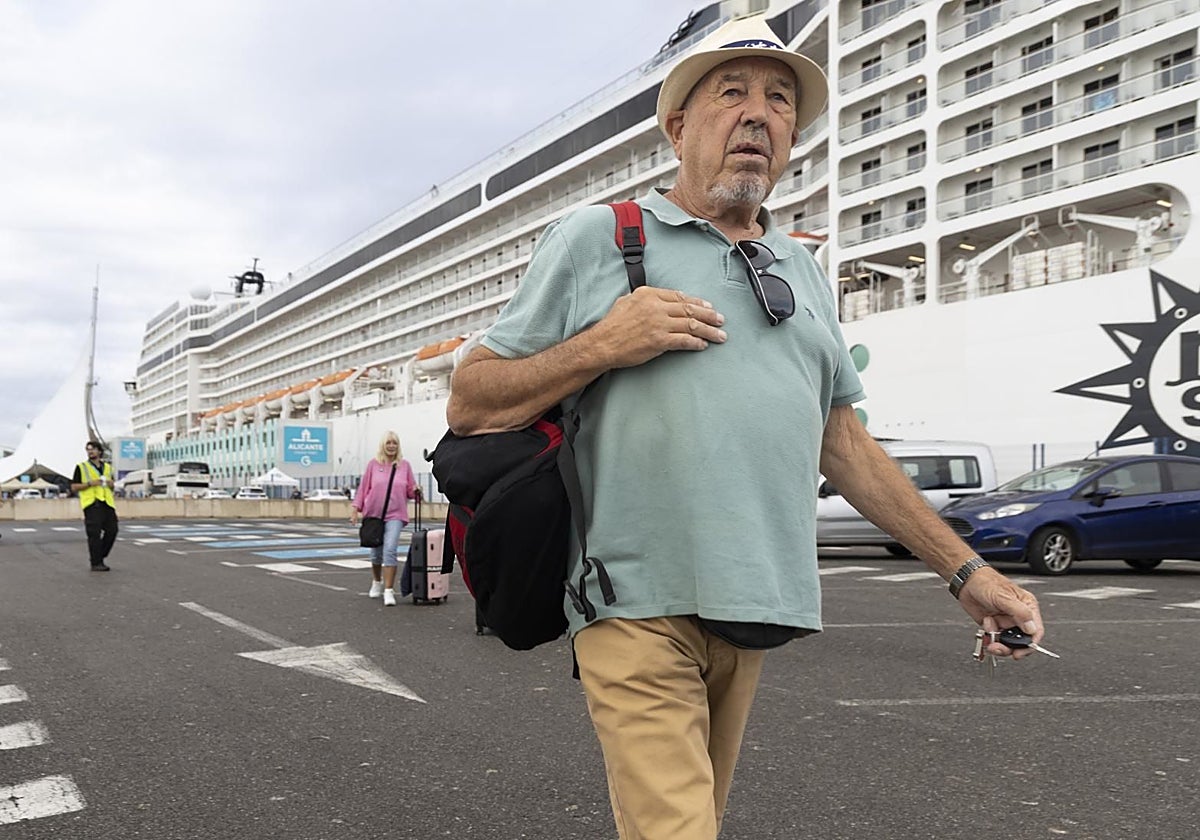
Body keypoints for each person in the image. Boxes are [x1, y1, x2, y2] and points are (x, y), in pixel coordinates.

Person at [445, 14, 1050, 840]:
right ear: (678, 126)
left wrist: (967, 571)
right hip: (630, 602)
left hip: (752, 606)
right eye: (732, 94)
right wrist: (603, 343)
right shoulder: (602, 237)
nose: (758, 116)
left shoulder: (803, 268)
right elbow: (472, 400)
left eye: (778, 103)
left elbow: (844, 443)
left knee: (695, 822)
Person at [350, 431, 421, 606]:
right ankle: (377, 581)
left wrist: (416, 490)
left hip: (395, 514)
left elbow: (410, 491)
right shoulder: (373, 465)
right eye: (388, 443)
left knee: (390, 549)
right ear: (383, 445)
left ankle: (389, 590)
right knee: (376, 553)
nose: (391, 446)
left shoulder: (404, 466)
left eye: (394, 443)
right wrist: (355, 508)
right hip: (374, 515)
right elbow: (364, 488)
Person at [70, 440, 119, 571]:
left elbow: (113, 484)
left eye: (93, 449)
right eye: (88, 449)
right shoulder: (81, 467)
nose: (90, 451)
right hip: (92, 503)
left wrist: (111, 484)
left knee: (112, 530)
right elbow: (74, 487)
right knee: (94, 534)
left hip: (107, 503)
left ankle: (100, 554)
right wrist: (89, 484)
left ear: (100, 451)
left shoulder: (108, 467)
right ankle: (96, 562)